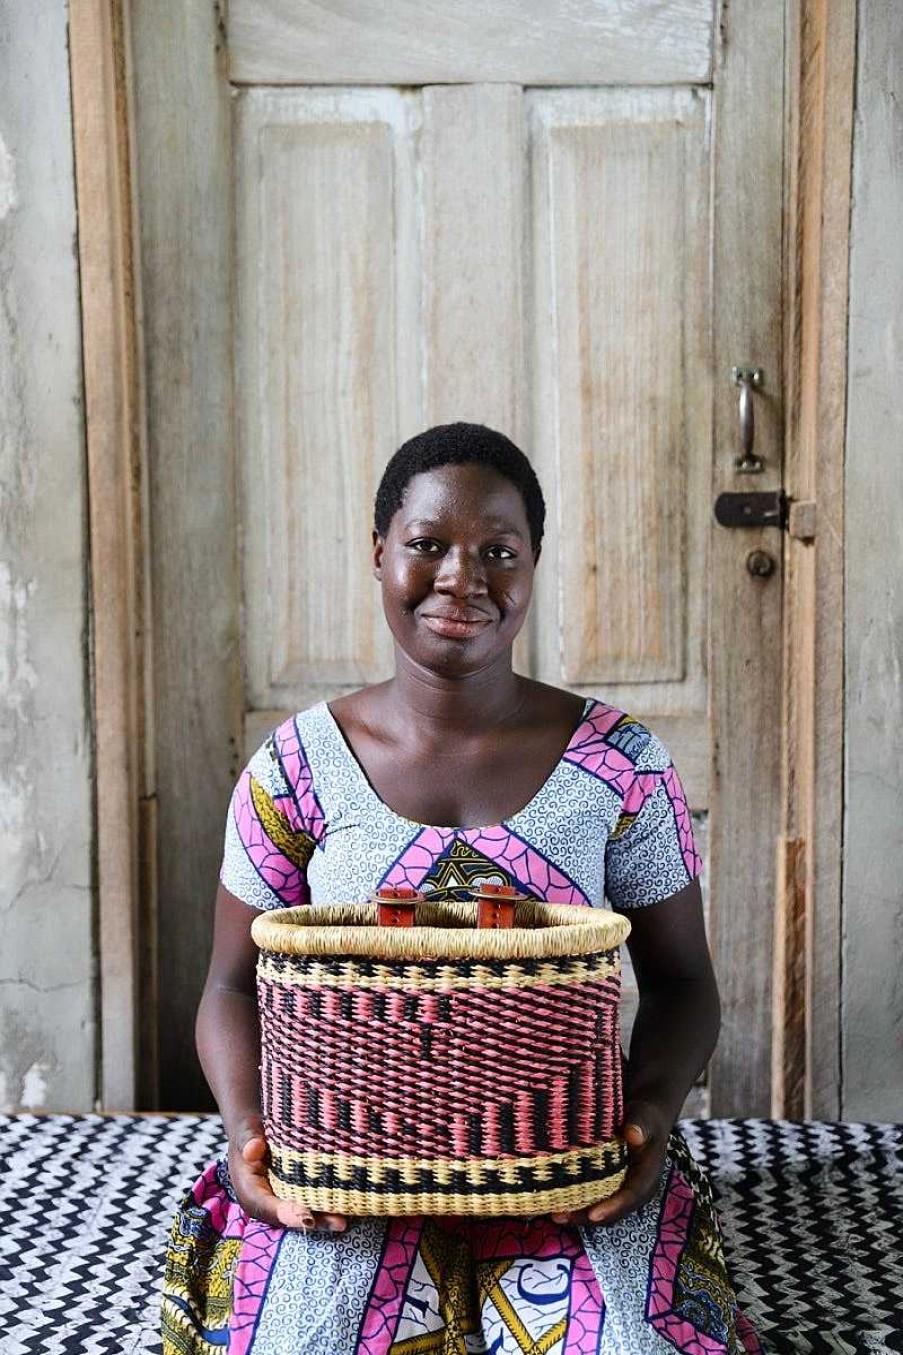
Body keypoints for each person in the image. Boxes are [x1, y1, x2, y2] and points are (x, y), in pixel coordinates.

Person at [161, 422, 760, 1354]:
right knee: (297, 1337)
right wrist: (249, 1140)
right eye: (428, 544)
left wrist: (644, 1123)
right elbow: (229, 985)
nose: (461, 578)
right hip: (347, 1165)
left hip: (558, 1167)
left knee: (633, 1343)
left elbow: (685, 984)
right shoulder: (294, 768)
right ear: (379, 551)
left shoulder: (620, 764)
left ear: (532, 565)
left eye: (498, 552)